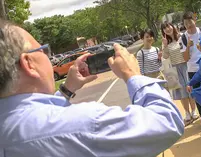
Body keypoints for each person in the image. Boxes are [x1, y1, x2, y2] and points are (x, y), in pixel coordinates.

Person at [0, 20, 184, 157]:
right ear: (28, 63)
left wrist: (66, 89)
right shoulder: (84, 123)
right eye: (43, 51)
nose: (48, 58)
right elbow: (166, 122)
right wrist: (133, 75)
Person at [161, 22, 197, 126]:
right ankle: (187, 112)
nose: (167, 29)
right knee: (181, 92)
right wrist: (165, 46)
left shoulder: (182, 36)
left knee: (189, 87)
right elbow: (165, 56)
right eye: (164, 28)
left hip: (186, 65)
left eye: (168, 26)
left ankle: (194, 111)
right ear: (163, 31)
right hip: (174, 68)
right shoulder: (165, 42)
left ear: (172, 26)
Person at [181, 11, 201, 128]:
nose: (188, 25)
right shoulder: (183, 38)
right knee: (198, 94)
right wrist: (188, 45)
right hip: (193, 69)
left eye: (190, 21)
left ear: (194, 20)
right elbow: (185, 58)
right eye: (185, 23)